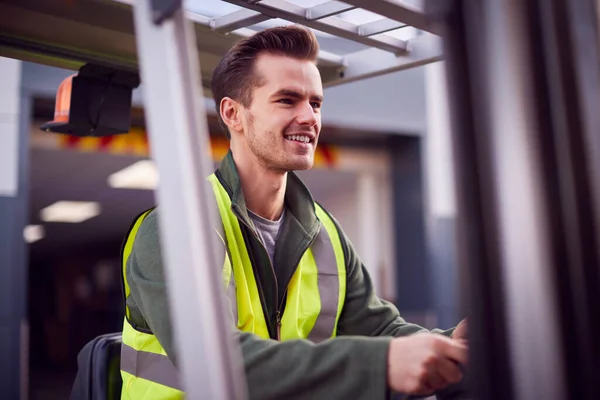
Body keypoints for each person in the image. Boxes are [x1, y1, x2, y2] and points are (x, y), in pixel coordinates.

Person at [119, 25, 468, 400]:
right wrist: (378, 363)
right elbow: (217, 361)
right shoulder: (174, 230)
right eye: (287, 100)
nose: (309, 117)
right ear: (233, 114)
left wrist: (451, 345)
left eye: (315, 103)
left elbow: (381, 331)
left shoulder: (324, 232)